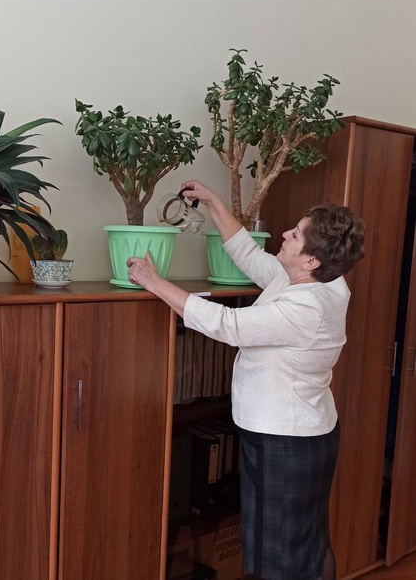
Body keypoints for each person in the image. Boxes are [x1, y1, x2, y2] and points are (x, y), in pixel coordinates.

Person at [126, 180, 366, 580]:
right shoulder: (325, 280)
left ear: (311, 260)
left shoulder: (307, 305)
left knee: (281, 557)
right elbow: (251, 257)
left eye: (295, 235)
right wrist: (213, 202)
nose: (285, 234)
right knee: (308, 544)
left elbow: (227, 324)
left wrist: (154, 281)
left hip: (285, 443)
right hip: (303, 435)